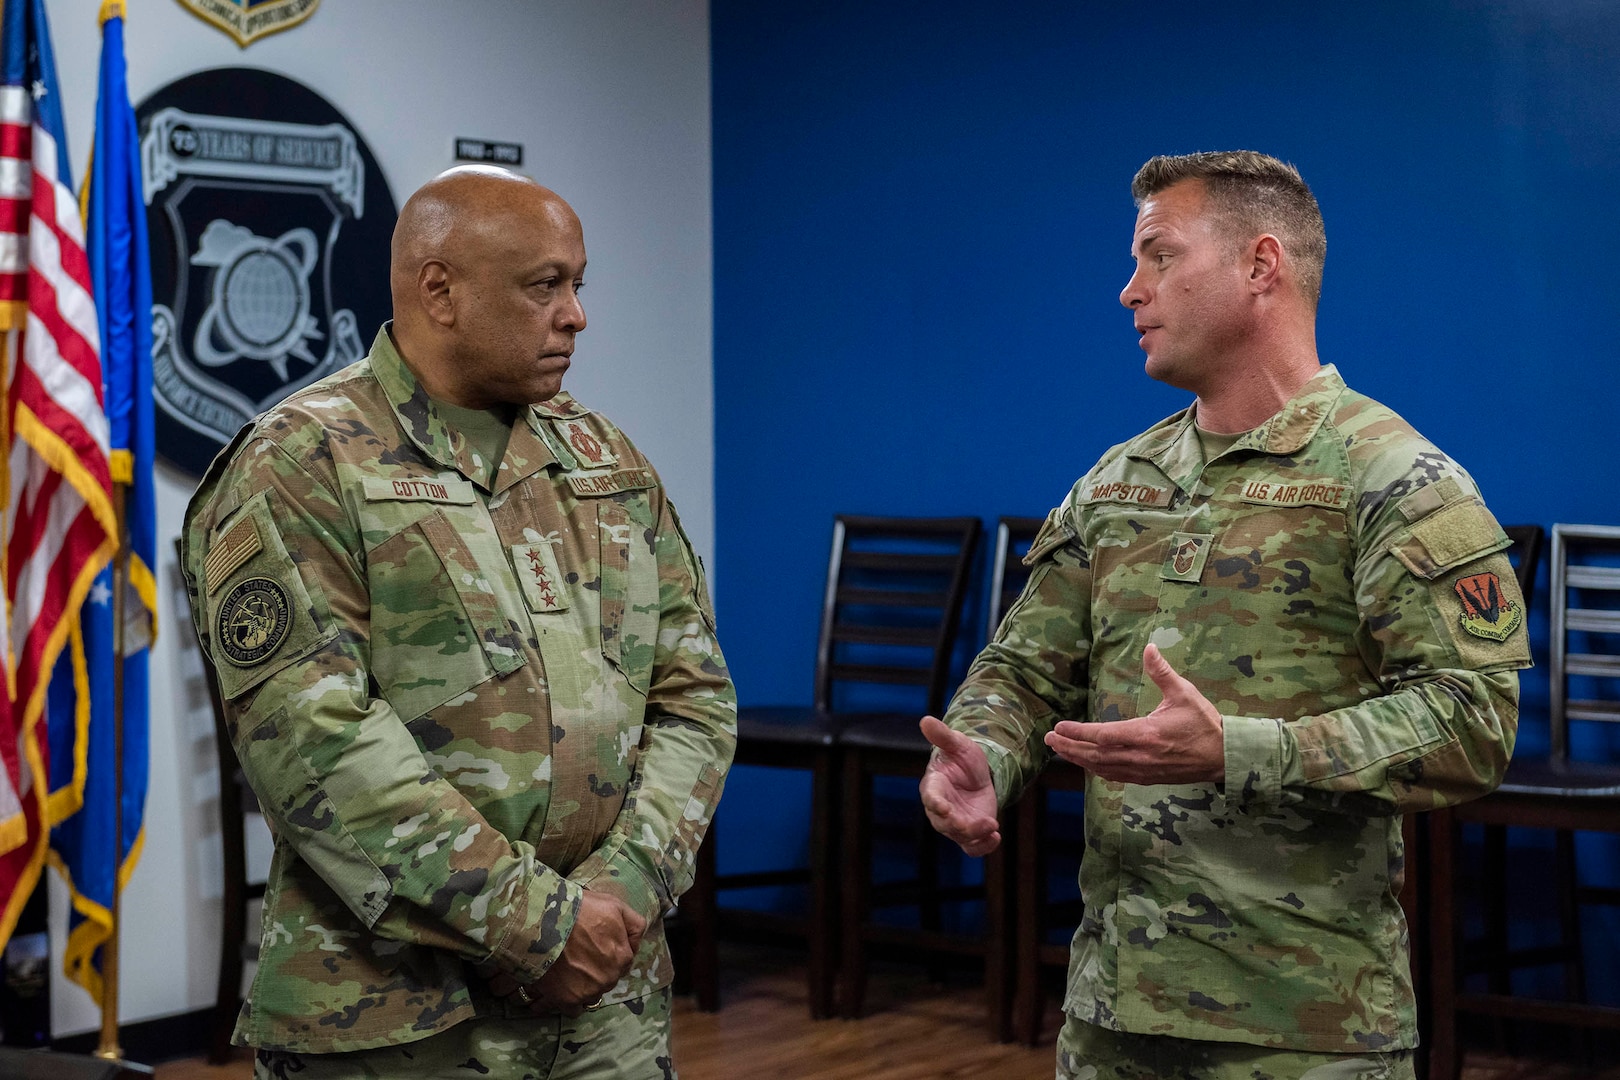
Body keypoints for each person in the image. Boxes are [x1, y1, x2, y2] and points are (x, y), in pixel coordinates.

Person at [920, 151, 1528, 1080]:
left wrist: (1247, 749)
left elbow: (1473, 722)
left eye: (1158, 256)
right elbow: (1025, 671)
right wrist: (983, 756)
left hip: (1305, 1030)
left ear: (1261, 265)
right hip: (1111, 1016)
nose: (1131, 292)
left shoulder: (1396, 480)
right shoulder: (1120, 482)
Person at [181, 165, 736, 1080]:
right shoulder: (303, 461)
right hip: (398, 1021)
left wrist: (624, 891)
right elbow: (317, 743)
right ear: (440, 290)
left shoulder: (606, 461)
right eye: (543, 285)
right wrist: (543, 928)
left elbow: (696, 699)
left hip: (609, 1008)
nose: (575, 315)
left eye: (578, 283)